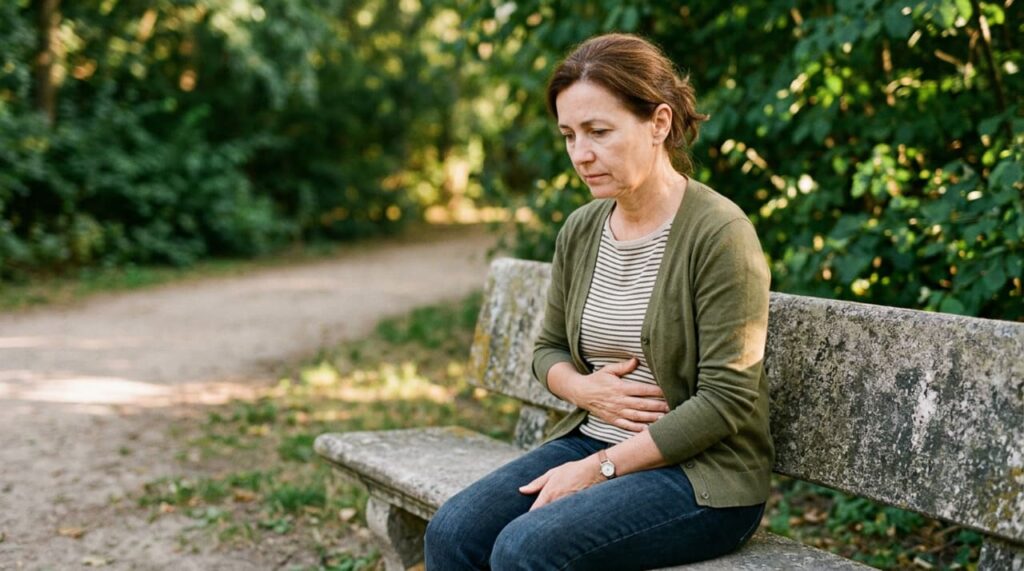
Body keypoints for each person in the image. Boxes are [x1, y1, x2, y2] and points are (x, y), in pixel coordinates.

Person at [424, 33, 774, 570]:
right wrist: (586, 390)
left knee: (526, 550)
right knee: (454, 532)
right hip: (592, 441)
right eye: (569, 135)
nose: (581, 155)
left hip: (702, 477)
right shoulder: (583, 228)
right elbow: (547, 349)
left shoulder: (719, 233)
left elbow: (726, 400)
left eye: (599, 132)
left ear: (658, 124)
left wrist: (599, 469)